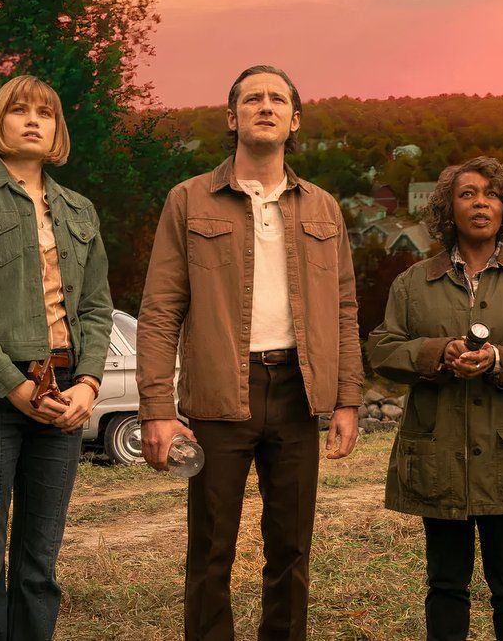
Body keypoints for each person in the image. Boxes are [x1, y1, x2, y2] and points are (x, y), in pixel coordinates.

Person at [137, 65, 362, 641]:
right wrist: (158, 410)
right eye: (252, 98)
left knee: (291, 547)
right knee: (211, 550)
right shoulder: (187, 200)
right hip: (218, 397)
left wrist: (347, 400)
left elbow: (344, 309)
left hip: (296, 393)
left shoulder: (323, 209)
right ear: (231, 117)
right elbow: (160, 311)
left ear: (295, 121)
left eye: (278, 99)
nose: (266, 106)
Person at [0, 74, 113, 639]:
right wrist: (13, 386)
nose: (34, 120)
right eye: (19, 110)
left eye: (46, 113)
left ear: (57, 129)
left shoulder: (79, 209)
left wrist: (88, 385)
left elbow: (98, 308)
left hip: (62, 398)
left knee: (40, 565)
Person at [367, 156, 503, 641]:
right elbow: (381, 348)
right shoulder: (413, 283)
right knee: (445, 584)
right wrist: (439, 352)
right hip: (441, 455)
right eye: (467, 193)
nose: (480, 202)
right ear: (448, 209)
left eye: (491, 193)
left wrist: (501, 360)